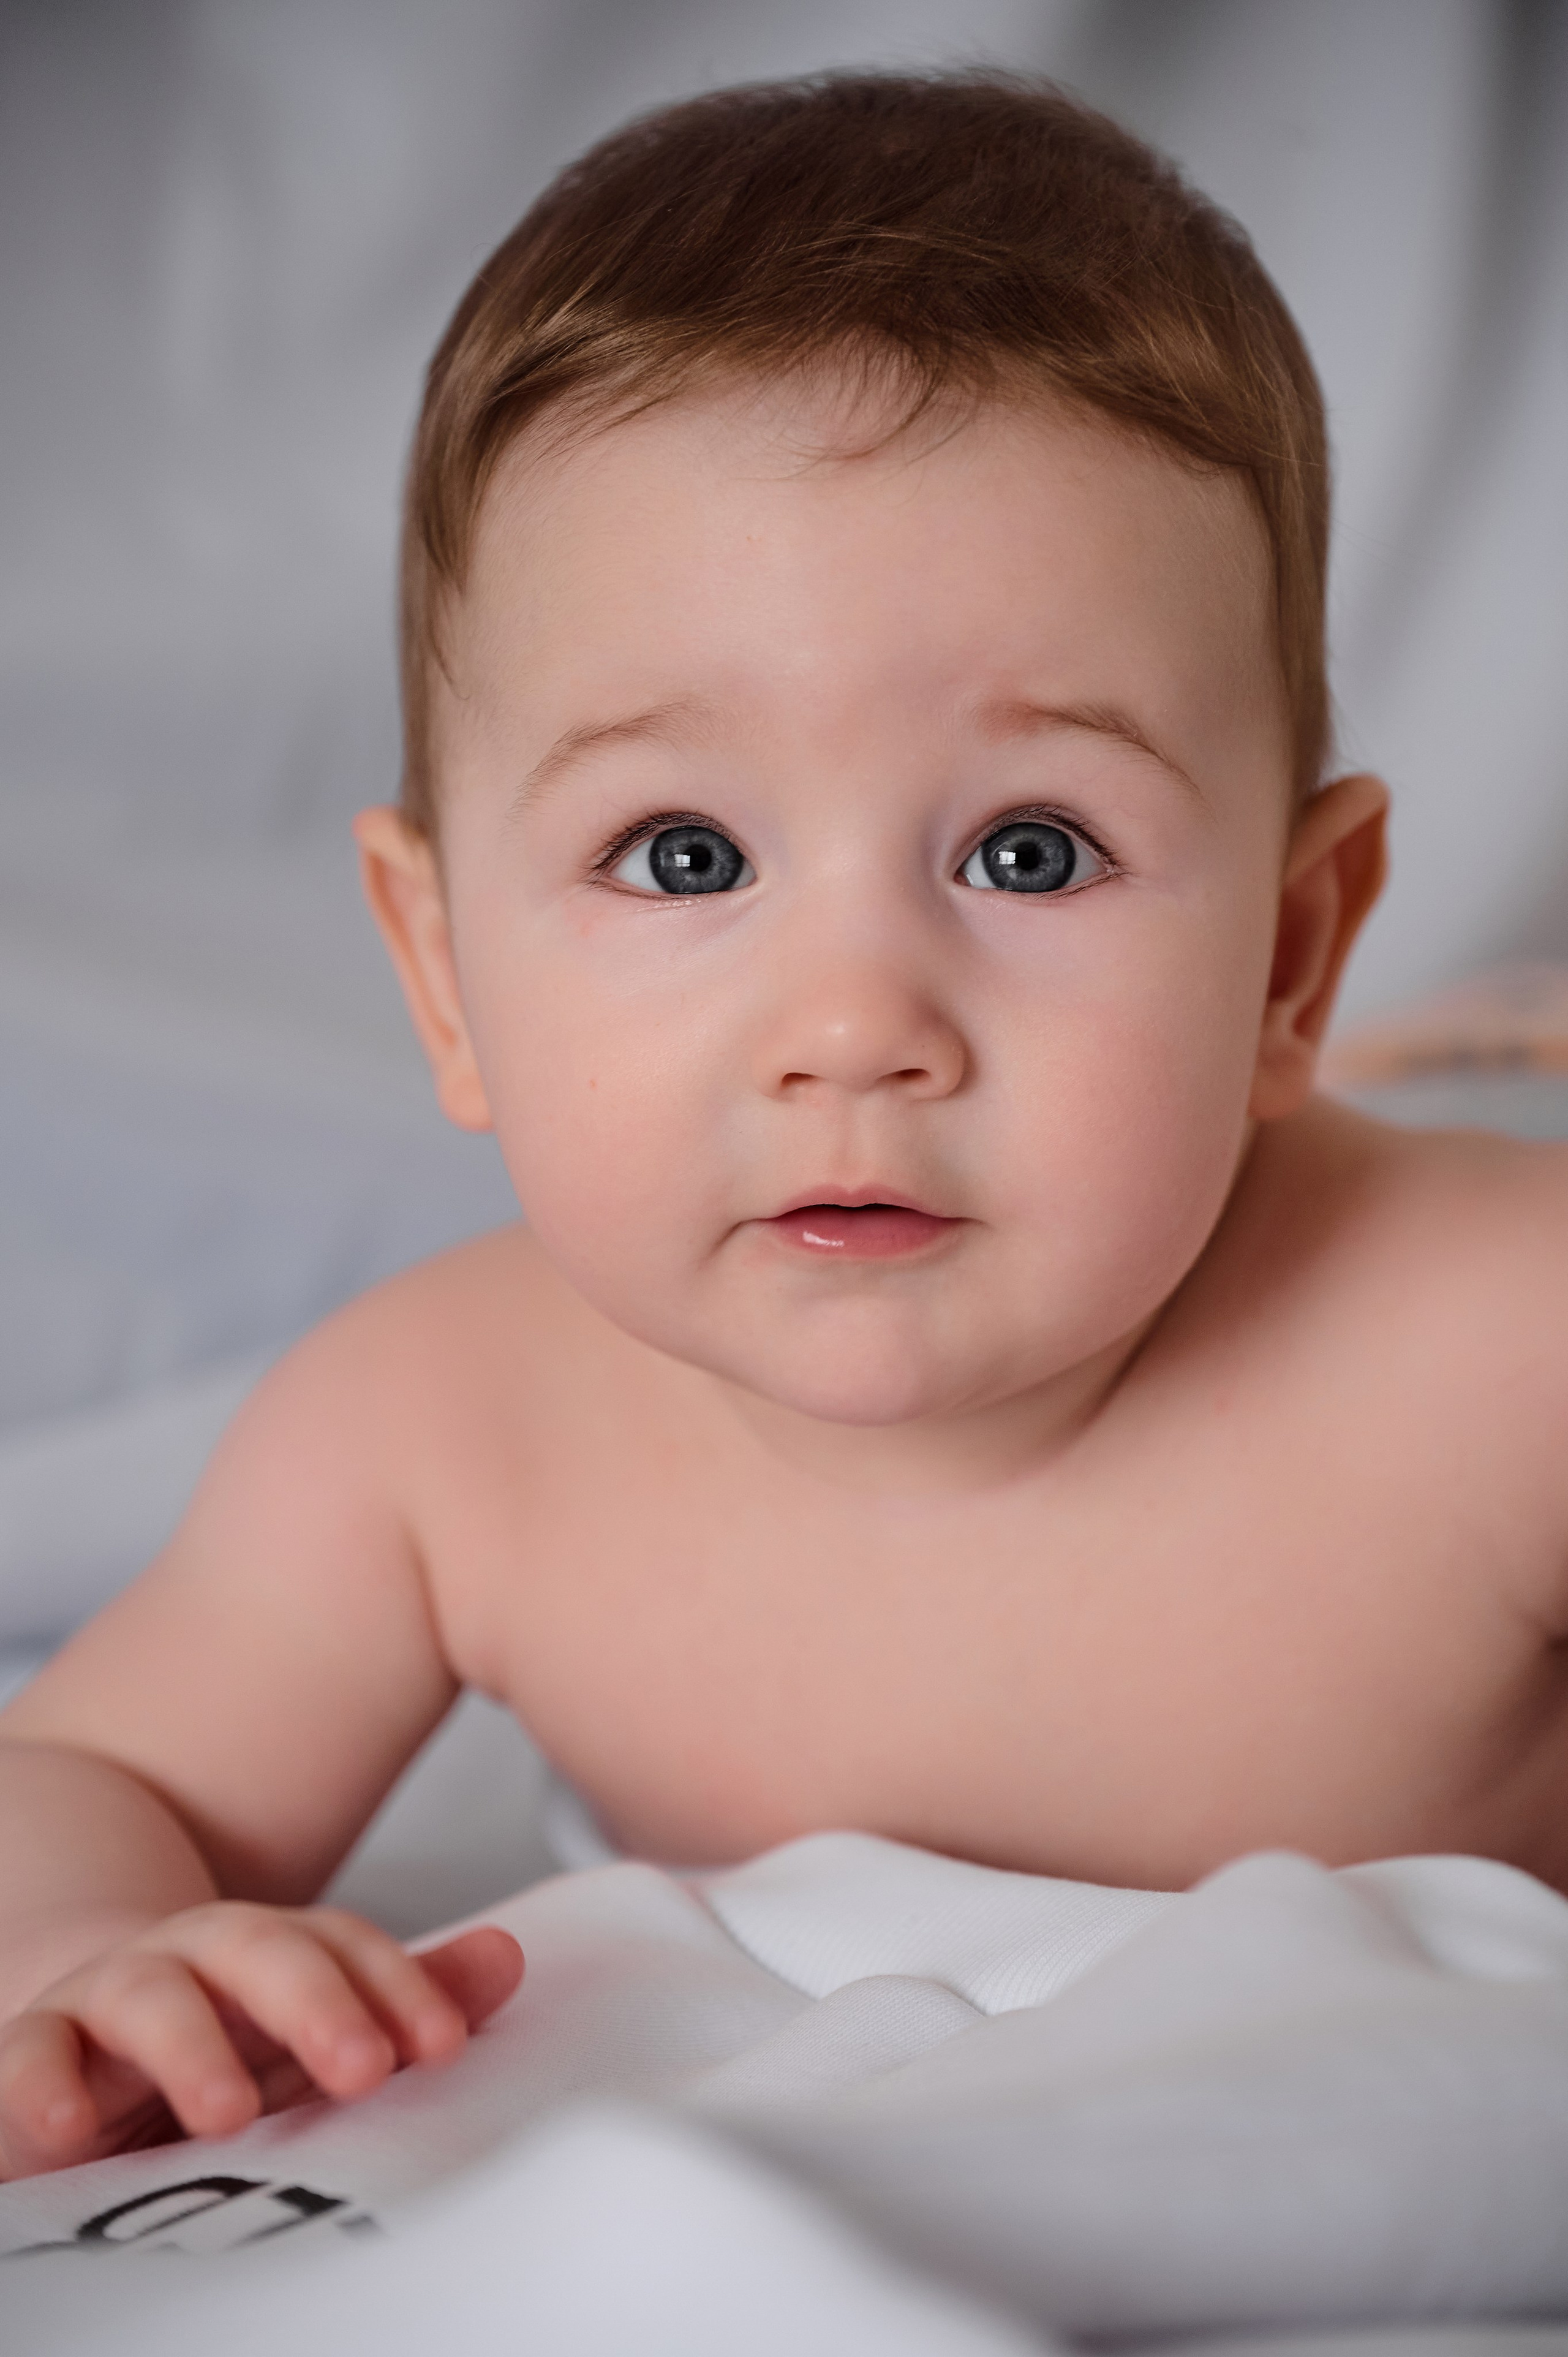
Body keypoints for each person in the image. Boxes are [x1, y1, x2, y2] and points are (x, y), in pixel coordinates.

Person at [1, 69, 1563, 2185]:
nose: (852, 1030)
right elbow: (97, 1759)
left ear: (1292, 954)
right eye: (678, 855)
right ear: (445, 969)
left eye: (1028, 853)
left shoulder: (1496, 1351)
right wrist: (91, 1939)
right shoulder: (442, 1436)